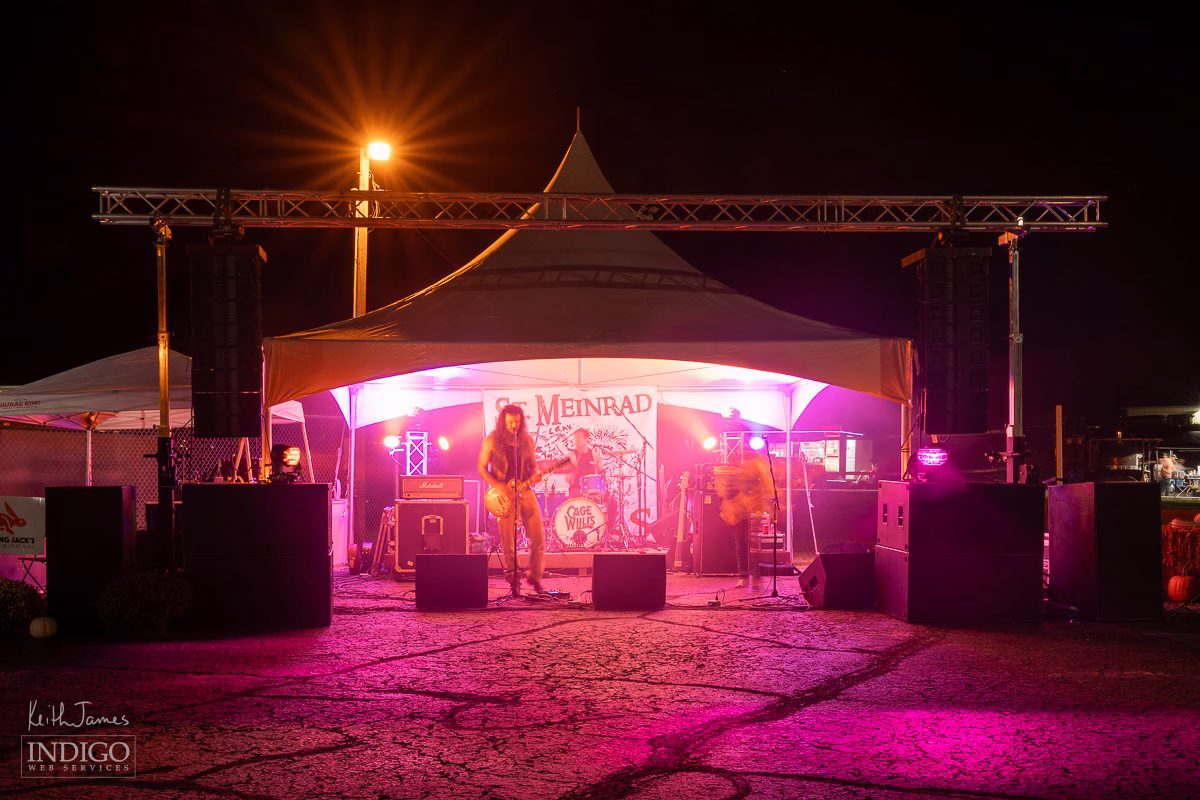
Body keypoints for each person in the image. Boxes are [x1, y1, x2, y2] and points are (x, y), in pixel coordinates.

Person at [478, 404, 546, 593]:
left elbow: (533, 466)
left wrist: (537, 474)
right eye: (509, 422)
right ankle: (513, 581)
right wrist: (498, 486)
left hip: (525, 490)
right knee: (509, 540)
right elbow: (482, 468)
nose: (513, 426)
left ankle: (535, 578)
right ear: (503, 421)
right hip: (504, 493)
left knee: (538, 537)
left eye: (516, 422)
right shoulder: (491, 440)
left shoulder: (526, 441)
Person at [566, 428, 600, 498]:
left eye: (578, 440)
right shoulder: (572, 456)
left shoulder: (594, 455)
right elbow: (567, 478)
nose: (576, 442)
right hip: (576, 490)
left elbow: (601, 473)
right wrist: (571, 474)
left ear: (586, 440)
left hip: (591, 491)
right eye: (575, 440)